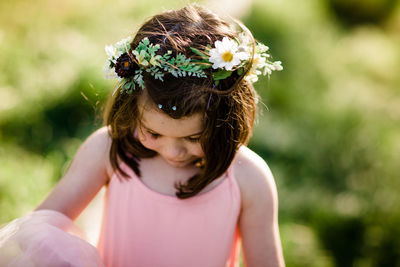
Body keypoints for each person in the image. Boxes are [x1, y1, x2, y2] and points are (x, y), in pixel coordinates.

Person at [0, 4, 284, 267]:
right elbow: (41, 226)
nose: (174, 152)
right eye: (153, 133)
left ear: (226, 122)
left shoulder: (248, 179)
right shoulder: (107, 149)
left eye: (194, 138)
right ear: (131, 110)